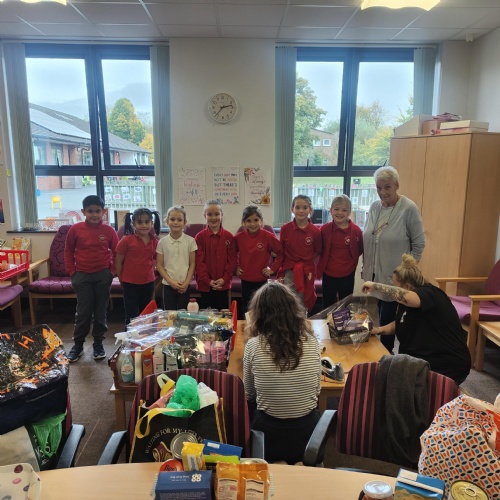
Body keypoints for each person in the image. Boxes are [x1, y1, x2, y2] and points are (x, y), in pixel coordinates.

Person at [362, 254, 471, 385]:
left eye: (396, 286)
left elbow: (407, 297)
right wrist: (378, 330)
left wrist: (376, 286)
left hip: (447, 365)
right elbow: (401, 323)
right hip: (422, 362)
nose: (393, 288)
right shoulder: (409, 303)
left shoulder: (431, 294)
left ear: (407, 287)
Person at [243, 280, 321, 464]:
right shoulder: (312, 342)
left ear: (259, 314)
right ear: (294, 310)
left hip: (269, 435)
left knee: (251, 403)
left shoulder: (253, 346)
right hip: (307, 434)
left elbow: (249, 393)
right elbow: (316, 390)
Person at [363, 166, 425, 353]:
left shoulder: (408, 208)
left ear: (397, 185)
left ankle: (387, 356)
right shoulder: (375, 207)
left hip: (395, 278)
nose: (382, 192)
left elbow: (419, 244)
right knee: (376, 319)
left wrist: (406, 272)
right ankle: (377, 355)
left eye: (387, 187)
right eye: (378, 188)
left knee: (388, 321)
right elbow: (371, 238)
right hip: (374, 275)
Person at [64, 195, 119, 363]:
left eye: (97, 211)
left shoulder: (109, 230)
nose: (94, 214)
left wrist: (112, 271)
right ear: (83, 212)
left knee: (100, 311)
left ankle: (98, 344)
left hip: (103, 276)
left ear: (103, 212)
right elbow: (68, 251)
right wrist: (72, 273)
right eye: (90, 211)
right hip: (82, 276)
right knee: (83, 312)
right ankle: (78, 345)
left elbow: (116, 252)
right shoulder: (76, 229)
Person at [115, 208, 161, 324]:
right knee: (131, 314)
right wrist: (121, 279)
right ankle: (130, 335)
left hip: (148, 282)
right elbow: (118, 262)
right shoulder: (126, 240)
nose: (144, 225)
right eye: (139, 222)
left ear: (152, 223)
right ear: (133, 224)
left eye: (147, 222)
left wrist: (151, 270)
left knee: (146, 313)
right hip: (130, 283)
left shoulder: (155, 241)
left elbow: (155, 259)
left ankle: (144, 335)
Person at [317, 194, 363, 309]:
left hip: (348, 273)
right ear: (331, 211)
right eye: (336, 209)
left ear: (349, 212)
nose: (340, 213)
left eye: (344, 210)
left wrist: (351, 265)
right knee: (327, 304)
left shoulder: (356, 230)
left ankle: (344, 320)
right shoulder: (324, 229)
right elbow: (318, 249)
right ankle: (326, 320)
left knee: (346, 304)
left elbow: (359, 249)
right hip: (328, 273)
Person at [235, 205, 284, 312]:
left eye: (256, 220)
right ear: (243, 223)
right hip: (245, 279)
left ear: (261, 221)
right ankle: (248, 323)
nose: (253, 224)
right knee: (247, 307)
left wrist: (272, 269)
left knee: (262, 308)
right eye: (249, 221)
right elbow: (231, 254)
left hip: (262, 279)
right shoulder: (239, 237)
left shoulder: (268, 236)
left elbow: (281, 253)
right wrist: (236, 267)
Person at [279, 195, 322, 313]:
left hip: (307, 269)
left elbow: (318, 251)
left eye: (305, 207)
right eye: (297, 207)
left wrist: (305, 260)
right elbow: (281, 249)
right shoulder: (285, 229)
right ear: (292, 209)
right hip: (289, 268)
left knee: (305, 297)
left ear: (310, 210)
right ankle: (289, 321)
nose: (301, 211)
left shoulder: (315, 231)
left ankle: (302, 320)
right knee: (289, 297)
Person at [195, 200, 236, 311]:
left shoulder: (229, 237)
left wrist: (224, 278)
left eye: (217, 214)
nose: (213, 218)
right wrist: (207, 280)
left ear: (222, 215)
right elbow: (198, 262)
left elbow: (232, 261)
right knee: (207, 313)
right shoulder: (199, 237)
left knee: (222, 314)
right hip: (205, 285)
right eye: (209, 214)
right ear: (205, 215)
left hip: (223, 284)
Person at [156, 205, 198, 310]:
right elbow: (159, 265)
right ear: (167, 221)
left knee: (183, 314)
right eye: (172, 219)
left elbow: (192, 263)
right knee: (169, 314)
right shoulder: (162, 242)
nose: (176, 222)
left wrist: (187, 283)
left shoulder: (191, 241)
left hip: (184, 285)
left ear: (185, 222)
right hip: (168, 285)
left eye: (179, 220)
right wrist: (171, 282)